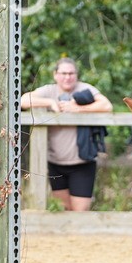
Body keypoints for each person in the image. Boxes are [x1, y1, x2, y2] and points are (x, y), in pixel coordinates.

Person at [21, 58, 112, 211]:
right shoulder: (49, 90)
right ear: (55, 74)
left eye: (71, 73)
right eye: (63, 73)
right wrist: (50, 103)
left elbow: (106, 105)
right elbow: (23, 100)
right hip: (55, 162)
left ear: (76, 75)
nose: (67, 77)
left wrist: (78, 109)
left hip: (81, 162)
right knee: (63, 210)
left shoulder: (85, 89)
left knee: (80, 211)